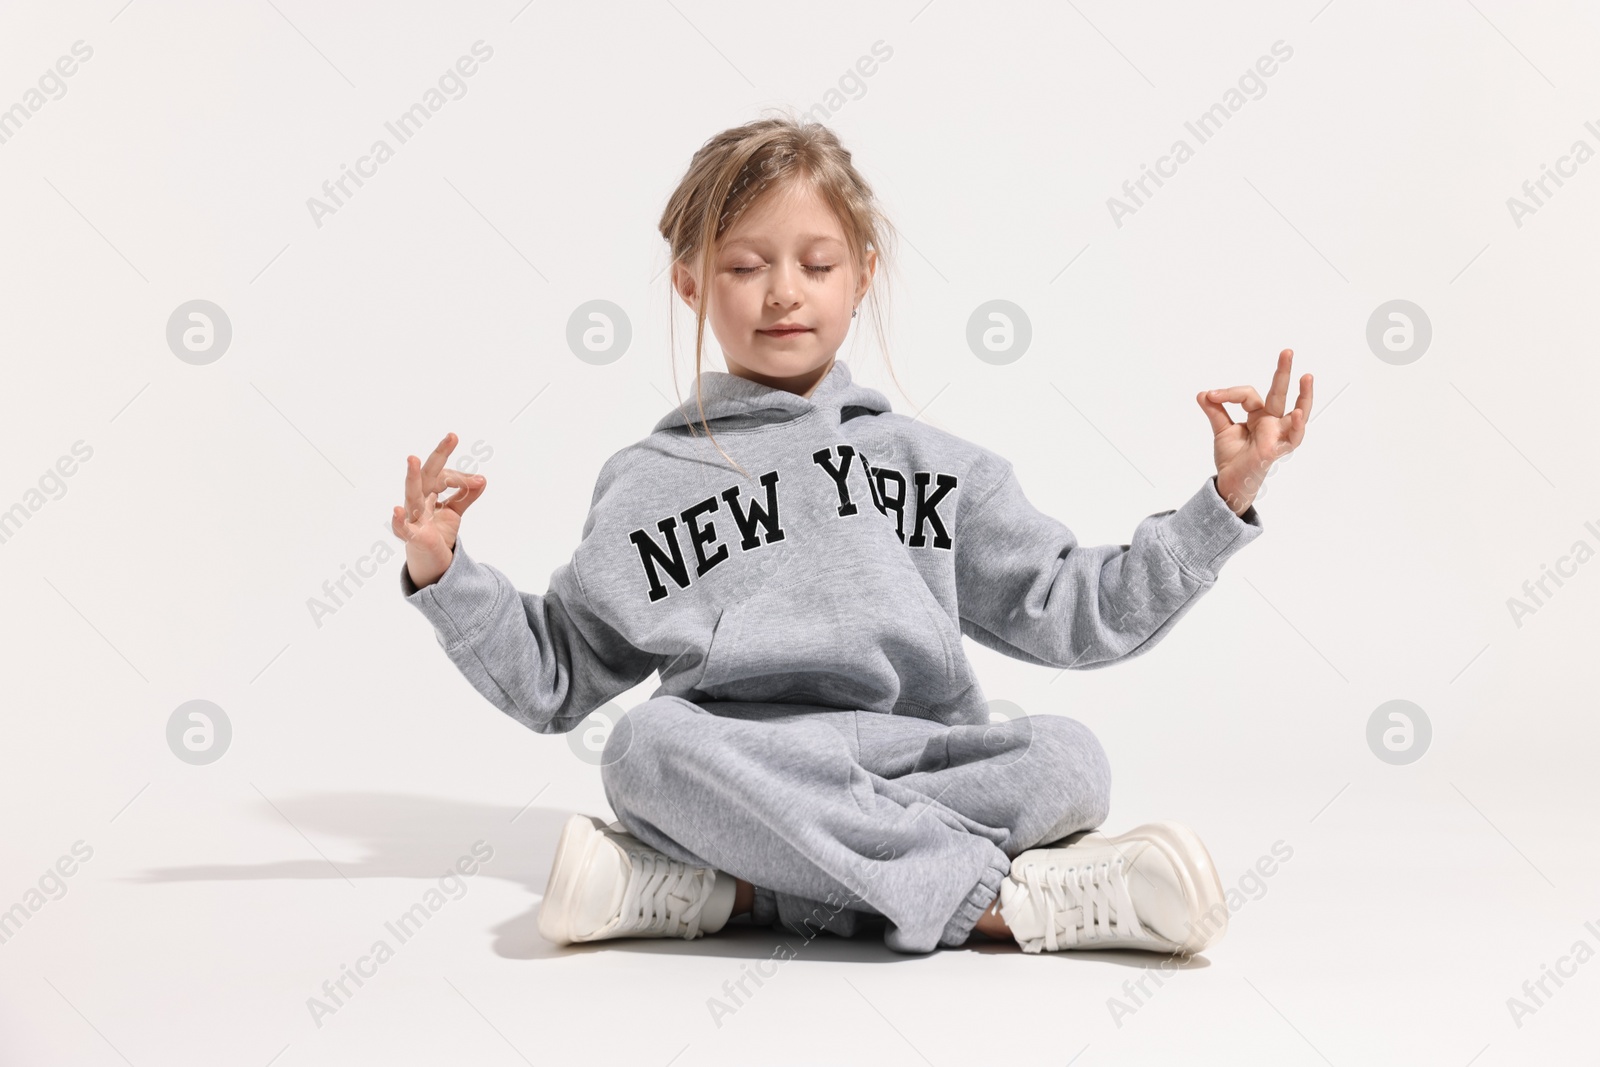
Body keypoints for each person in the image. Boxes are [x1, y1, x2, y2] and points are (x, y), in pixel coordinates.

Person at [392, 116, 1313, 957]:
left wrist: (1223, 500)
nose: (783, 293)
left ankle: (737, 889)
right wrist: (444, 569)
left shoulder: (934, 464)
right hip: (746, 760)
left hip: (914, 756)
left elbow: (1074, 610)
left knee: (1071, 760)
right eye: (746, 265)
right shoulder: (647, 482)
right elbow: (558, 674)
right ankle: (1009, 905)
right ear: (690, 282)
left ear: (863, 272)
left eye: (817, 265)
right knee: (645, 751)